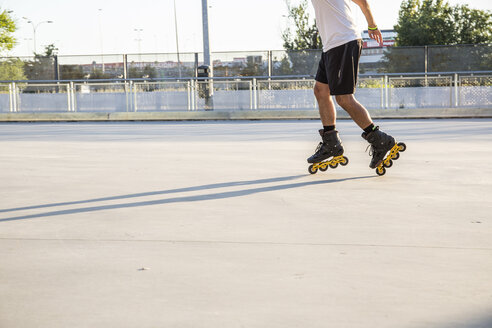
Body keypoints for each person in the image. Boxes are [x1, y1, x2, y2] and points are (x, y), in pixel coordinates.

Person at [307, 0, 397, 170]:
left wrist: (372, 25)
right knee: (320, 90)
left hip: (344, 40)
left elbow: (362, 2)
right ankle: (331, 143)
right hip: (330, 45)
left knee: (344, 98)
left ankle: (379, 139)